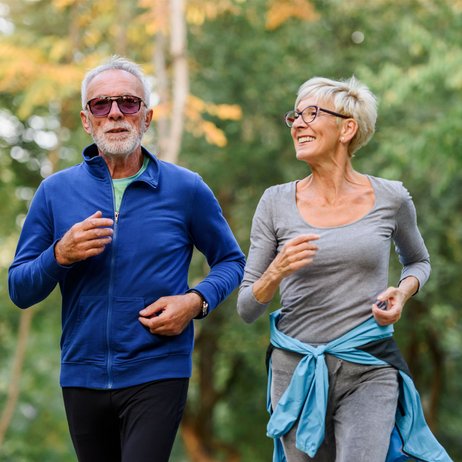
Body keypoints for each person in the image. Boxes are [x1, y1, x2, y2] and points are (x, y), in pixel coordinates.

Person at [8, 56, 245, 462]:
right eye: (101, 105)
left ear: (147, 117)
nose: (115, 113)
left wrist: (195, 301)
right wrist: (59, 255)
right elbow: (20, 289)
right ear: (87, 120)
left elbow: (231, 261)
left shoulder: (186, 188)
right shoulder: (54, 192)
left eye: (128, 103)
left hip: (158, 369)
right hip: (82, 374)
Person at [237, 76, 451, 461]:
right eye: (295, 116)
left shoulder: (392, 197)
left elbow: (418, 261)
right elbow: (246, 308)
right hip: (296, 370)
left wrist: (402, 292)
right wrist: (276, 271)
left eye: (312, 113)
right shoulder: (274, 202)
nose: (298, 124)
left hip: (368, 364)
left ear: (347, 128)